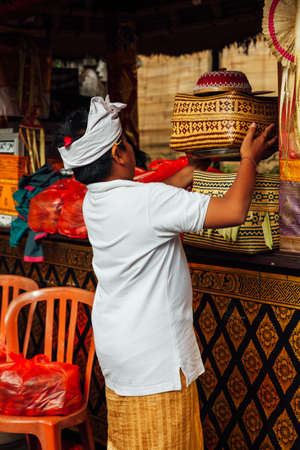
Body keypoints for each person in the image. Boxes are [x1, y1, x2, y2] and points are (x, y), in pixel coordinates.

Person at [57, 96, 276, 450]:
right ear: (118, 154)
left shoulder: (95, 200)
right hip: (154, 355)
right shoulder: (146, 202)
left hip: (119, 348)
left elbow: (150, 201)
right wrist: (249, 159)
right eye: (128, 143)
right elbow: (233, 210)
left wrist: (194, 166)